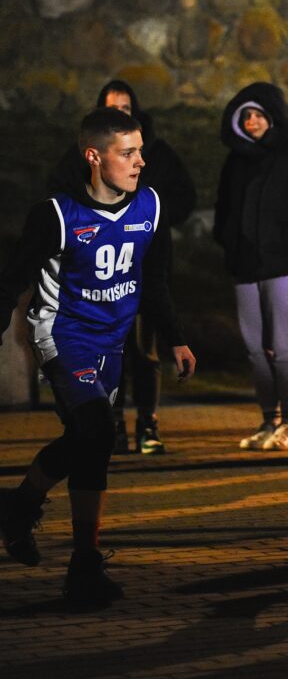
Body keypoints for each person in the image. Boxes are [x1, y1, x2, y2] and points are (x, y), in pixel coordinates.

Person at [0, 108, 195, 605]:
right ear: (94, 156)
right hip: (63, 336)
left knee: (87, 440)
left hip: (112, 341)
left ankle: (19, 506)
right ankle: (84, 565)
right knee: (98, 431)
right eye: (127, 153)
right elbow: (13, 278)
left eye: (140, 151)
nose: (140, 162)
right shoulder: (57, 215)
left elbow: (155, 280)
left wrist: (175, 337)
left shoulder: (150, 206)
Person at [48, 80, 197, 455]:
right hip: (97, 284)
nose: (138, 162)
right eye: (112, 107)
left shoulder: (155, 160)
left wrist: (151, 220)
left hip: (139, 274)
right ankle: (108, 423)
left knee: (144, 353)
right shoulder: (80, 160)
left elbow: (182, 196)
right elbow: (57, 200)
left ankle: (147, 422)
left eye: (126, 108)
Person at [214, 83, 288, 451]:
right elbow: (223, 207)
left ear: (273, 116)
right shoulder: (235, 160)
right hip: (245, 266)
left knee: (282, 345)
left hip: (283, 265)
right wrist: (228, 240)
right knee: (255, 349)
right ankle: (268, 420)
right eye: (246, 116)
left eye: (258, 115)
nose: (252, 122)